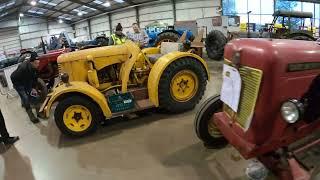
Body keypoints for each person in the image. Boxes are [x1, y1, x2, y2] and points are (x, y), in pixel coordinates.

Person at [11, 52, 41, 123]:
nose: (38, 65)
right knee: (25, 98)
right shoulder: (23, 68)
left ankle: (39, 113)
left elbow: (35, 78)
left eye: (38, 63)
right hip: (18, 83)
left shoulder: (35, 68)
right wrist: (24, 89)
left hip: (27, 82)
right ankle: (31, 115)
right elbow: (13, 77)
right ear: (31, 62)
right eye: (36, 63)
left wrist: (34, 87)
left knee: (35, 96)